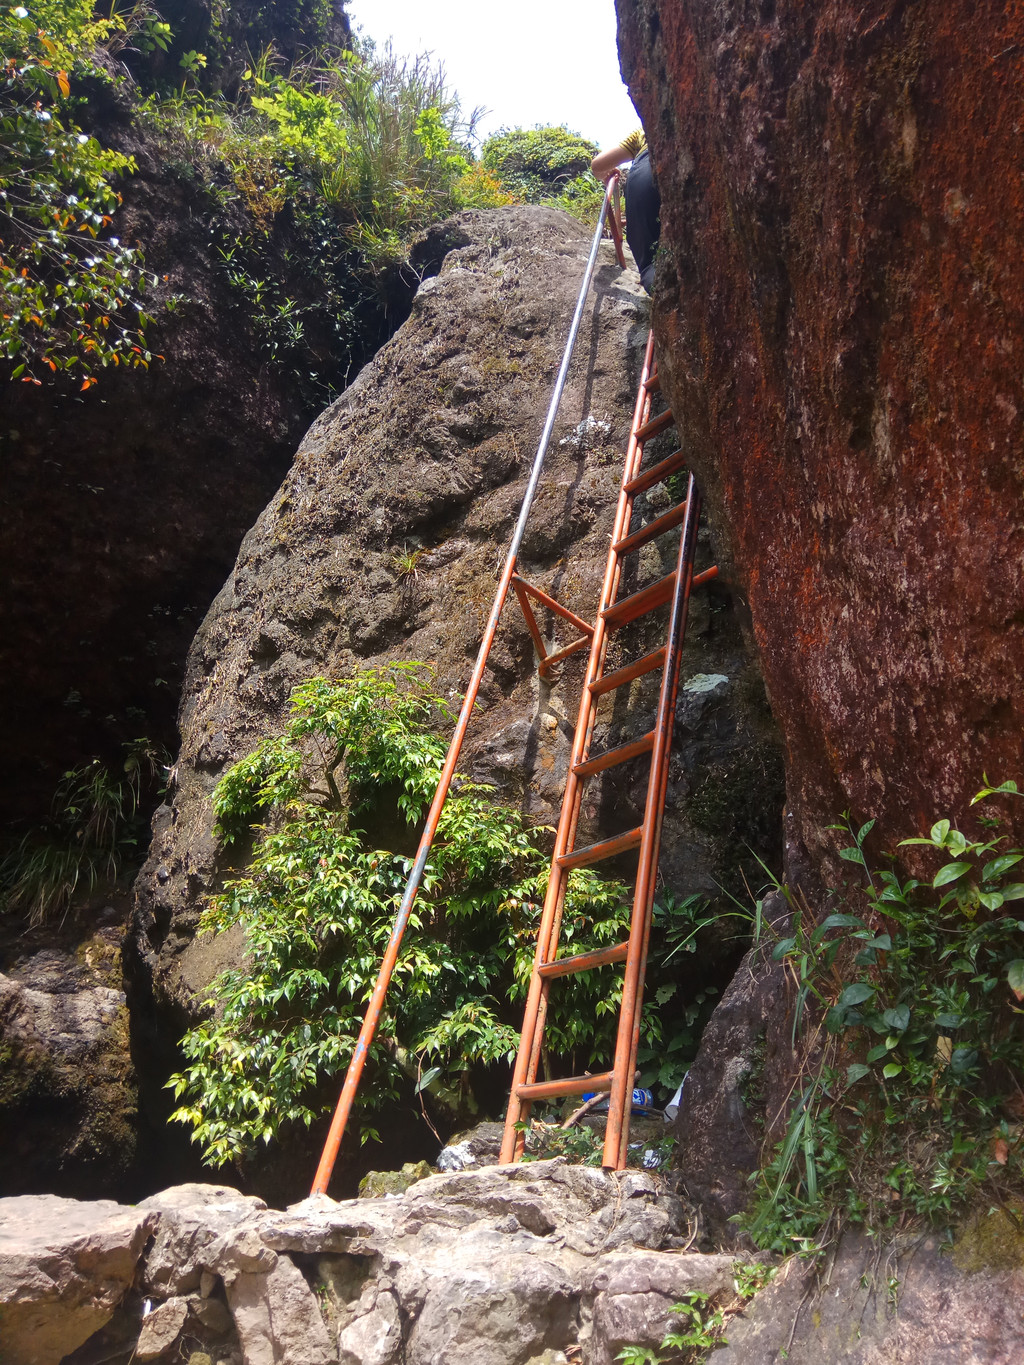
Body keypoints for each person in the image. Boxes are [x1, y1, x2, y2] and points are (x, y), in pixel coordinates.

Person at [591, 131, 661, 294]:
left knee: (650, 264)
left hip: (643, 173)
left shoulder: (643, 131)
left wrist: (606, 173)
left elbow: (597, 166)